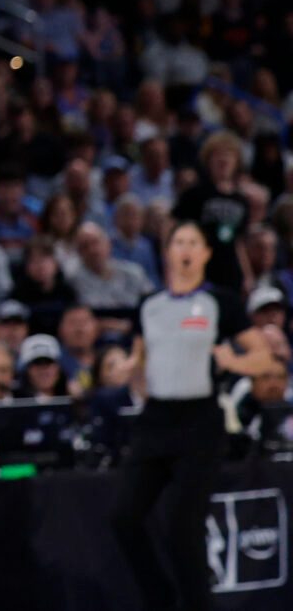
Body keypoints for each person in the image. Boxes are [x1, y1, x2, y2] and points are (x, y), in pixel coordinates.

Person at [106, 219, 271, 611]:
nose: (185, 249)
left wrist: (234, 361)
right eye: (178, 241)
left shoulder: (221, 302)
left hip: (199, 421)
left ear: (206, 253)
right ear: (167, 252)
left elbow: (264, 356)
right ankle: (160, 597)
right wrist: (127, 368)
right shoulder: (150, 304)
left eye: (193, 242)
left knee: (183, 526)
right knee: (123, 517)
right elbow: (140, 358)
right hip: (155, 420)